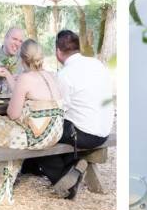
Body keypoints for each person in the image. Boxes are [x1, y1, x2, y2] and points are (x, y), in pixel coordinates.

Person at [23, 30, 114, 199]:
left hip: (84, 134)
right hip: (104, 130)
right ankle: (70, 165)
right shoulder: (97, 64)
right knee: (54, 128)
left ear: (58, 51)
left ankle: (64, 180)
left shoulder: (65, 74)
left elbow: (58, 110)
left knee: (41, 133)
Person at [0, 39, 64, 205]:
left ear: (22, 59)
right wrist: (8, 75)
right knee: (2, 129)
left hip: (37, 137)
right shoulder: (50, 76)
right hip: (55, 133)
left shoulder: (25, 77)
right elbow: (26, 91)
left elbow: (13, 114)